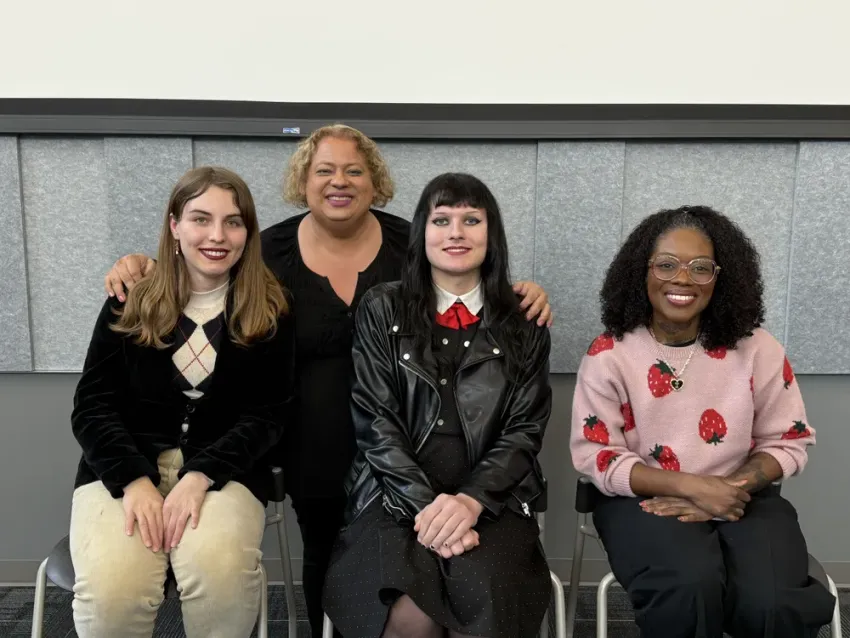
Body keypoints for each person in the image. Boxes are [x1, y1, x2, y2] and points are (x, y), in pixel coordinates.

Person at [102, 124, 554, 637]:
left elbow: (469, 281)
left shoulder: (410, 244)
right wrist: (144, 264)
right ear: (304, 180)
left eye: (354, 170)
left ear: (374, 181)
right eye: (325, 170)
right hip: (320, 446)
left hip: (421, 456)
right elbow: (201, 264)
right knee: (338, 562)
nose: (339, 181)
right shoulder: (267, 252)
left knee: (467, 589)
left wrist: (517, 293)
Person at [570, 205, 836, 637]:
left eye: (700, 268)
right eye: (666, 265)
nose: (683, 279)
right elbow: (596, 456)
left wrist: (722, 490)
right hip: (643, 501)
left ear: (720, 278)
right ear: (642, 271)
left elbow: (788, 440)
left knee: (772, 601)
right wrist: (692, 488)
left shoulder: (758, 348)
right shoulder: (609, 354)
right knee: (688, 586)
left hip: (744, 495)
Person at [322, 172, 553, 638]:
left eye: (472, 220)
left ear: (492, 234)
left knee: (480, 599)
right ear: (421, 233)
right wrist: (428, 510)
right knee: (409, 612)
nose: (456, 233)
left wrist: (470, 502)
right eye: (441, 220)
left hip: (494, 497)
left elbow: (524, 430)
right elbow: (375, 420)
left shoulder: (524, 321)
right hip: (392, 492)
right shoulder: (382, 307)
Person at [70, 166, 293, 638]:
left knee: (220, 576)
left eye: (233, 222)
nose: (217, 236)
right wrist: (133, 481)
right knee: (114, 593)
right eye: (200, 219)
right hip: (123, 470)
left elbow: (268, 414)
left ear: (248, 232)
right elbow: (92, 405)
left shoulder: (272, 308)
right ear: (174, 226)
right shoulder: (130, 299)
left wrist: (200, 475)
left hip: (223, 473)